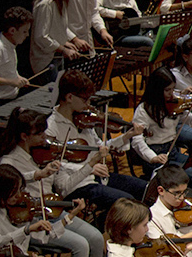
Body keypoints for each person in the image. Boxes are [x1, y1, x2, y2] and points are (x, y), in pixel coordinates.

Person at [0, 109, 105, 257]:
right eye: (39, 133)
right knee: (81, 245)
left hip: (53, 211)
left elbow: (64, 185)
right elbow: (10, 179)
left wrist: (90, 163)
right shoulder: (9, 161)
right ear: (24, 136)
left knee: (97, 238)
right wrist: (37, 175)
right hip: (31, 221)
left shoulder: (44, 154)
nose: (44, 136)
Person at [45, 70, 146, 208]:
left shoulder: (84, 120)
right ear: (69, 97)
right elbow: (55, 165)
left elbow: (101, 147)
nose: (88, 104)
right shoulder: (51, 128)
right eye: (85, 99)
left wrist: (127, 135)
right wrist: (88, 167)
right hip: (75, 184)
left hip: (97, 177)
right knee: (127, 203)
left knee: (143, 188)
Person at [128, 71, 192, 177]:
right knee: (188, 176)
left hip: (172, 150)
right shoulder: (144, 110)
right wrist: (152, 157)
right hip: (155, 153)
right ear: (156, 90)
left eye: (173, 89)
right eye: (167, 90)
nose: (172, 94)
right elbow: (137, 140)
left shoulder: (174, 103)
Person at [27, 0, 88, 74]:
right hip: (45, 62)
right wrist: (63, 49)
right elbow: (41, 37)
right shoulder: (46, 4)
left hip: (56, 57)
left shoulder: (61, 2)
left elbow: (59, 28)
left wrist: (67, 41)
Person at [0, 7, 37, 101]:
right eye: (24, 31)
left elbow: (6, 70)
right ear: (12, 31)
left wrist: (19, 78)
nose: (27, 35)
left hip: (8, 98)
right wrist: (12, 82)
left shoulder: (10, 44)